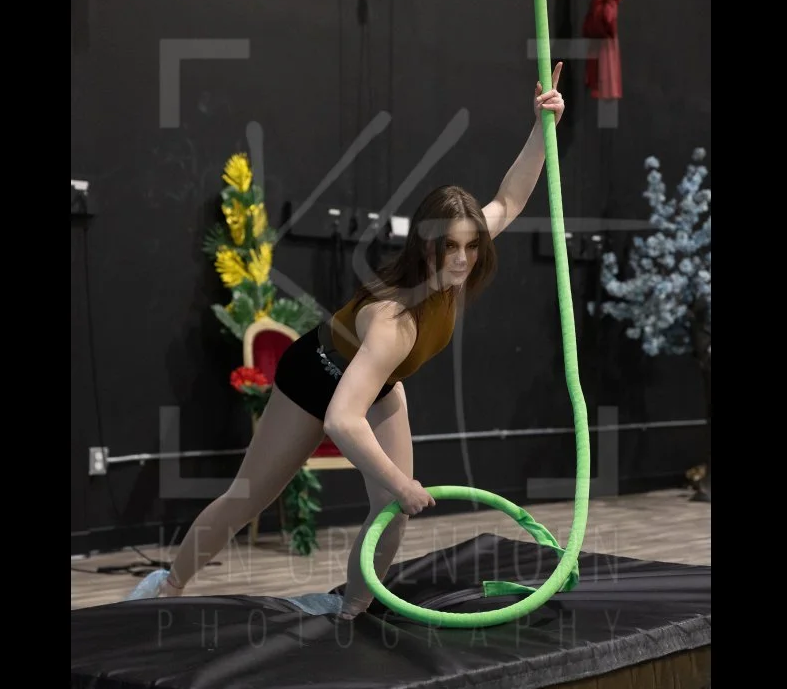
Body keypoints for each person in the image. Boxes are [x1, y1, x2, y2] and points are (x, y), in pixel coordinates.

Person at [154, 62, 566, 618]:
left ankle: (350, 614)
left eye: (471, 247)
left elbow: (510, 200)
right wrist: (402, 482)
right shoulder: (395, 320)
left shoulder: (456, 267)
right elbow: (341, 421)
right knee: (249, 497)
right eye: (450, 247)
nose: (464, 259)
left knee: (389, 511)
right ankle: (167, 589)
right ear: (426, 245)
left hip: (377, 382)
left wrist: (543, 126)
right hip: (316, 377)